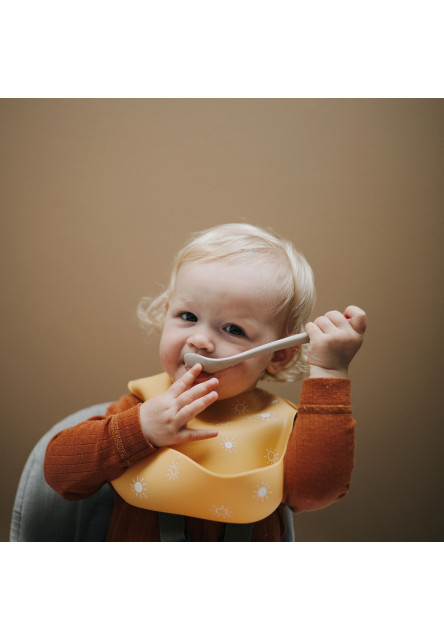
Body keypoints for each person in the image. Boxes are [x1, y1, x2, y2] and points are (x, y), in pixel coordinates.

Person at [44, 223, 366, 541]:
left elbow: (315, 492)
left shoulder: (283, 428)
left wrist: (329, 372)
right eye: (188, 317)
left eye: (234, 329)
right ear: (167, 313)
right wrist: (138, 429)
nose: (200, 340)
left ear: (278, 356)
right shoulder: (142, 406)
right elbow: (58, 475)